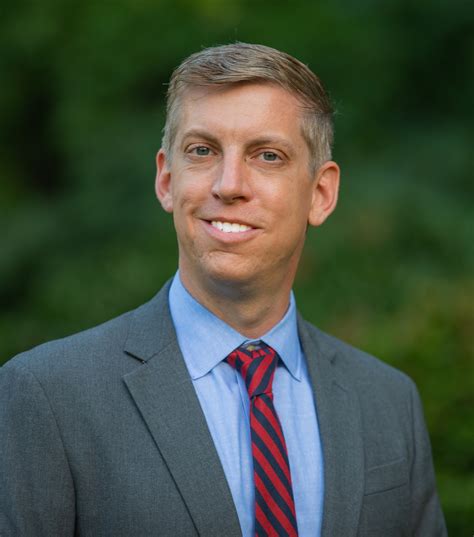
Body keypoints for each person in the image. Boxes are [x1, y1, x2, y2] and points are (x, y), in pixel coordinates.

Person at [0, 43, 446, 537]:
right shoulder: (48, 396)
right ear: (167, 179)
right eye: (202, 151)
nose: (229, 184)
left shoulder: (388, 401)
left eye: (268, 156)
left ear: (321, 194)